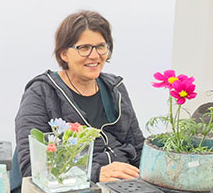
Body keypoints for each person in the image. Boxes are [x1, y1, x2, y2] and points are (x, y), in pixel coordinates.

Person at [14, 10, 143, 183]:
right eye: (84, 48)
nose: (95, 55)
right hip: (72, 190)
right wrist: (95, 174)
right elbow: (32, 166)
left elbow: (138, 149)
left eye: (100, 46)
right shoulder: (41, 93)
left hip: (124, 184)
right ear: (63, 54)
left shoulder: (115, 88)